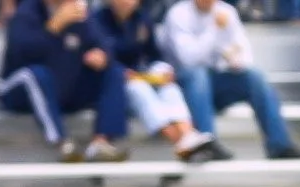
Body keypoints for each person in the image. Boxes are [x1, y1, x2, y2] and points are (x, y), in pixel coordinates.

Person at [158, 0, 300, 160]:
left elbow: (243, 51)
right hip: (182, 87)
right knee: (198, 75)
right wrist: (214, 29)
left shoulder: (226, 11)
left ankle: (279, 145)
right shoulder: (178, 14)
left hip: (216, 83)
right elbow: (189, 60)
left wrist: (235, 60)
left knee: (255, 77)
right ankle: (207, 144)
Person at [87, 0, 221, 162]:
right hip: (112, 86)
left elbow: (154, 55)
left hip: (141, 76)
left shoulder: (142, 19)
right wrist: (122, 72)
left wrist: (162, 70)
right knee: (138, 89)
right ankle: (179, 141)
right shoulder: (97, 20)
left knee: (169, 88)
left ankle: (188, 133)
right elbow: (98, 55)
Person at [0, 0, 129, 162]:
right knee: (37, 74)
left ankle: (100, 143)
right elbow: (22, 55)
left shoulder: (80, 13)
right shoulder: (27, 12)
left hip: (65, 86)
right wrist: (54, 27)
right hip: (18, 88)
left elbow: (104, 44)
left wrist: (101, 55)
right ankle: (62, 143)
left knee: (113, 72)